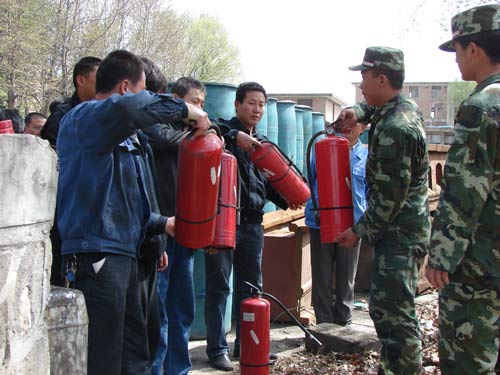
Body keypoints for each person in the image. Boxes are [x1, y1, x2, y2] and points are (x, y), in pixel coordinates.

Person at [56, 49, 209, 375]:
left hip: (131, 253)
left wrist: (159, 226)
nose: (151, 101)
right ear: (126, 88)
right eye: (146, 92)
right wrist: (186, 108)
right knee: (106, 357)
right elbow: (133, 108)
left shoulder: (130, 136)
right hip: (98, 253)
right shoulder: (85, 119)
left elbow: (128, 199)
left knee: (138, 355)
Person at [335, 47, 430, 375]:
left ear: (382, 78)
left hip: (400, 236)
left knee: (395, 318)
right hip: (402, 233)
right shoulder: (401, 109)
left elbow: (390, 198)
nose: (360, 83)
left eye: (364, 76)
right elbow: (374, 110)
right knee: (388, 311)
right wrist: (357, 111)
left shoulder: (393, 130)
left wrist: (358, 231)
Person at [425, 4, 500, 374]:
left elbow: (464, 192)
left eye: (456, 49)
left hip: (479, 270)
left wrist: (441, 256)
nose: (455, 60)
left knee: (469, 364)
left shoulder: (481, 108)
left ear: (474, 49)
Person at [204, 82, 297, 372]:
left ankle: (248, 346)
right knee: (219, 288)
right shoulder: (222, 133)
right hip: (224, 223)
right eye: (251, 103)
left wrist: (288, 200)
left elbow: (267, 183)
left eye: (261, 104)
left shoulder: (264, 144)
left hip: (253, 225)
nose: (256, 109)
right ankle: (217, 349)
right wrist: (235, 135)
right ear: (237, 105)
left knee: (251, 289)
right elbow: (212, 128)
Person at [147, 76, 206, 375]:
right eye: (194, 103)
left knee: (182, 308)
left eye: (202, 104)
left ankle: (178, 369)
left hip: (187, 232)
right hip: (161, 231)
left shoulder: (196, 133)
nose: (200, 110)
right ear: (175, 100)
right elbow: (162, 139)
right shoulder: (156, 129)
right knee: (159, 312)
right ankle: (157, 369)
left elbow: (219, 129)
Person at [41, 56, 101, 287]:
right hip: (64, 207)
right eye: (98, 79)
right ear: (81, 80)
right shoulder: (63, 115)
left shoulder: (102, 115)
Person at [305, 122, 368, 326]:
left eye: (354, 122)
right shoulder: (322, 147)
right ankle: (323, 325)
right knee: (321, 275)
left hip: (352, 224)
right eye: (343, 121)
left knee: (346, 275)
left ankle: (344, 322)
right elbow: (311, 178)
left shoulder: (365, 156)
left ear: (364, 127)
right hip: (321, 220)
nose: (348, 126)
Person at [41, 55, 101, 149]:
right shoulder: (62, 115)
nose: (105, 84)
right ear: (81, 80)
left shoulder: (107, 113)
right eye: (100, 79)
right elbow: (52, 154)